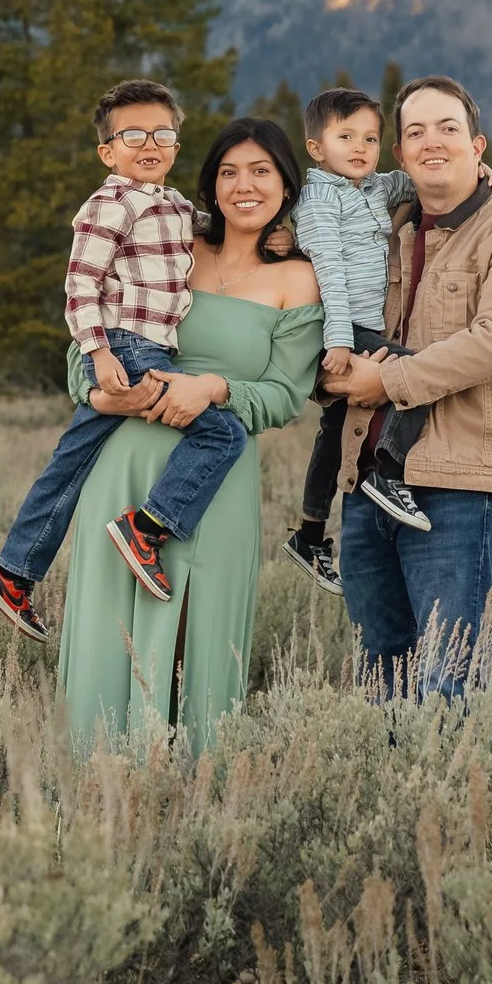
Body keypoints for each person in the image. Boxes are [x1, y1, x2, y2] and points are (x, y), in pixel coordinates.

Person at [52, 118, 323, 752]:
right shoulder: (170, 245)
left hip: (215, 488)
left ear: (287, 184)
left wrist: (216, 389)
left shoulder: (299, 279)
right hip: (122, 465)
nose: (244, 186)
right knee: (106, 635)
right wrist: (100, 392)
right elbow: (86, 347)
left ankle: (189, 804)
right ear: (209, 184)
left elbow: (287, 397)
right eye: (229, 172)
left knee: (193, 645)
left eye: (261, 171)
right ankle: (92, 802)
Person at [0, 79, 249, 642]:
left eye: (163, 133)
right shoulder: (109, 204)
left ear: (177, 142)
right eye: (133, 135)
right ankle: (148, 528)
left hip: (148, 346)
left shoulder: (175, 206)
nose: (150, 144)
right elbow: (81, 284)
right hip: (126, 344)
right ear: (108, 151)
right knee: (223, 436)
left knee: (70, 461)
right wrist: (97, 352)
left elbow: (219, 229)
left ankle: (12, 573)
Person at [325, 75, 492, 701]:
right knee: (381, 681)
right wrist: (332, 373)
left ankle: (449, 799)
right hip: (365, 483)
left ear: (477, 145)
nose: (433, 142)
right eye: (416, 132)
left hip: (458, 487)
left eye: (448, 128)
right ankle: (391, 799)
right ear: (399, 154)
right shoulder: (382, 230)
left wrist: (388, 380)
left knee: (445, 679)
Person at [283, 86, 432, 596]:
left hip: (359, 328)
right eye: (346, 136)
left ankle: (309, 532)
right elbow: (327, 272)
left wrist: (479, 172)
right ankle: (388, 471)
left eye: (370, 138)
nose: (361, 147)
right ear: (316, 148)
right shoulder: (318, 201)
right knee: (414, 371)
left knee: (334, 425)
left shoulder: (372, 187)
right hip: (340, 327)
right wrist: (341, 341)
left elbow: (410, 179)